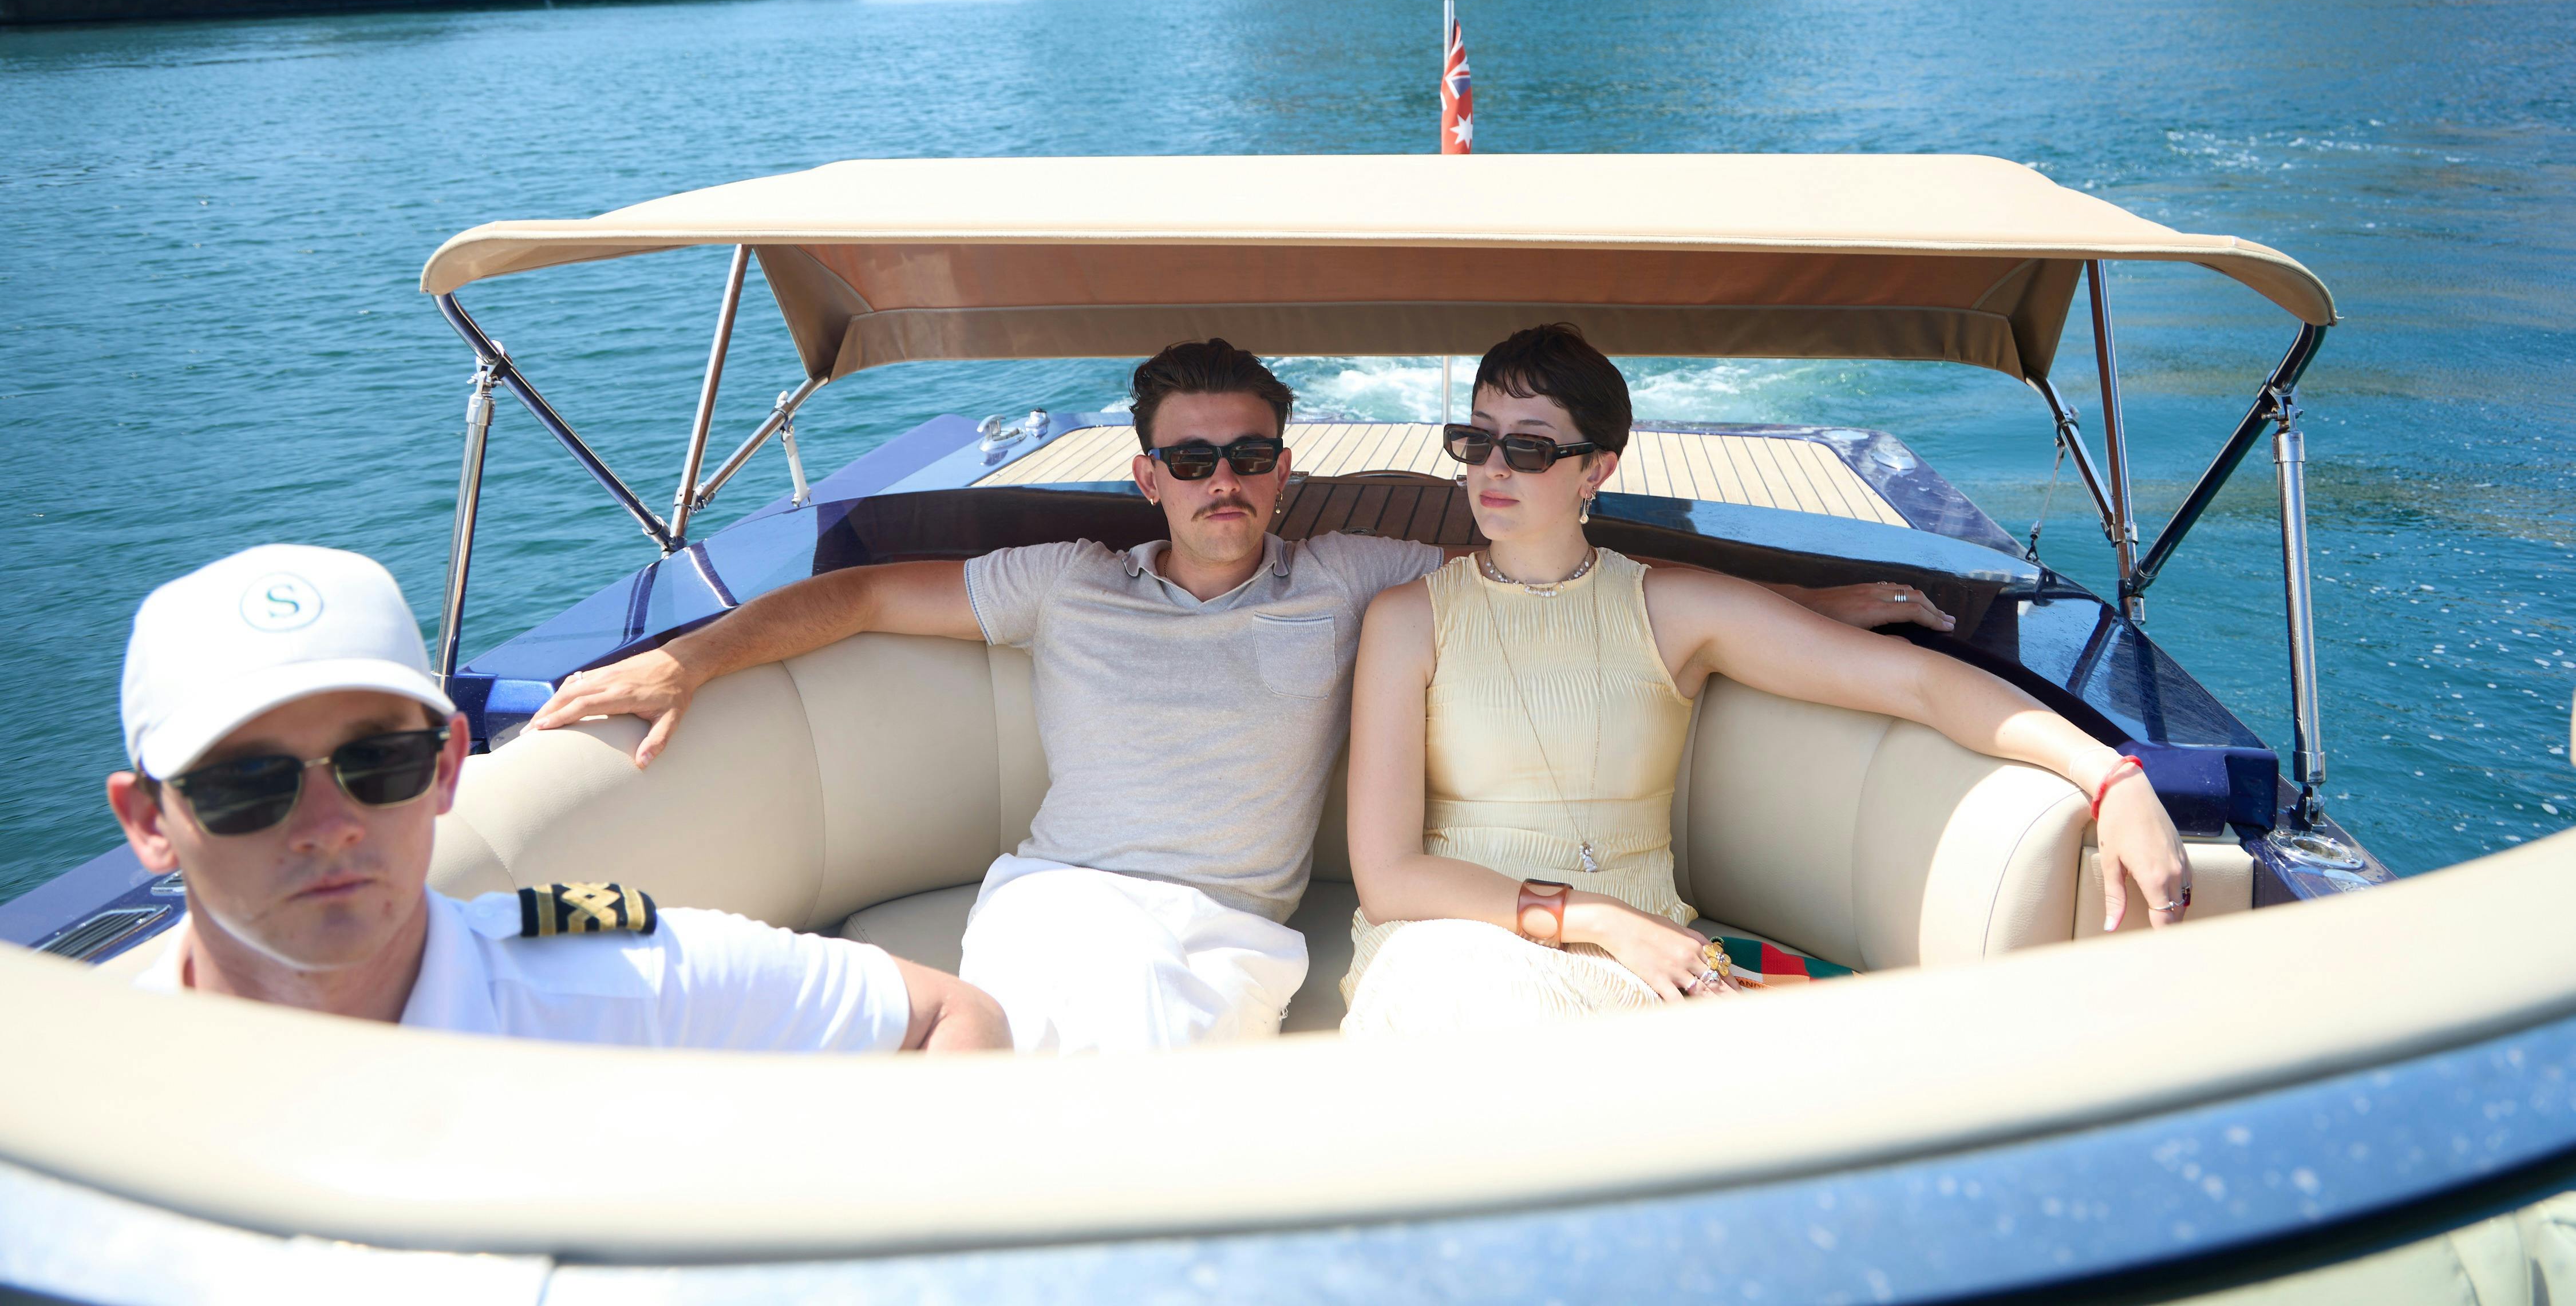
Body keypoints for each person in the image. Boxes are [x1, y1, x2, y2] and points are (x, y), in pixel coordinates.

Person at [534, 339, 1940, 1055]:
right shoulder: (1063, 582)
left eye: (1250, 456)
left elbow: (1562, 561)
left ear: (1287, 465)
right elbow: (849, 599)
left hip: (1224, 927)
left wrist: (1803, 611)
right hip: (1064, 892)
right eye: (1191, 460)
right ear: (1144, 473)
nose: (1225, 484)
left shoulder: (1356, 578)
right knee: (1046, 1036)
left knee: (1112, 1063)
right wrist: (686, 658)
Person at [1339, 323, 2193, 1035]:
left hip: (1645, 967)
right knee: (1456, 997)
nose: (1492, 467)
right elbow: (1389, 878)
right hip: (1442, 948)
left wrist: (2110, 778)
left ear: (1597, 468)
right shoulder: (1409, 619)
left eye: (1526, 447)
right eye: (1475, 440)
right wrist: (1597, 920)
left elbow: (1921, 687)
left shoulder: (1673, 609)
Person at [106, 544, 1006, 1052]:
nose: (331, 829)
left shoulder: (618, 984)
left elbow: (950, 1015)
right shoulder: (79, 1098)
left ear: (449, 766)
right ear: (149, 822)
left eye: (379, 763)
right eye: (245, 787)